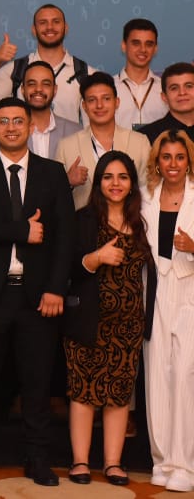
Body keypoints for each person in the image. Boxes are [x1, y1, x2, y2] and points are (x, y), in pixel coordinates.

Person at [0, 97, 75, 487]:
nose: (10, 127)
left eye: (18, 121)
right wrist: (21, 230)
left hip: (38, 298)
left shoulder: (52, 173)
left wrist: (56, 288)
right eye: (3, 121)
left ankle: (38, 460)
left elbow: (65, 237)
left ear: (30, 126)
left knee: (37, 387)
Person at [61, 151, 153, 487]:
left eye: (123, 177)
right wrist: (96, 258)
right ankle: (80, 462)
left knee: (118, 393)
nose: (116, 183)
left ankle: (113, 463)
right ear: (98, 182)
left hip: (128, 325)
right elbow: (67, 267)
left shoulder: (142, 221)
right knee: (83, 392)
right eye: (108, 177)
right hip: (88, 321)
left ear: (132, 183)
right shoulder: (83, 219)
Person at [141, 129, 194, 492]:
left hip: (189, 290)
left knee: (185, 377)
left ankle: (185, 464)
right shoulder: (146, 196)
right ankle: (161, 460)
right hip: (154, 292)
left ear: (188, 161)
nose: (173, 164)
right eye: (166, 157)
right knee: (157, 375)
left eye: (179, 157)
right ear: (157, 162)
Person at [55, 72, 150, 208]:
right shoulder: (66, 146)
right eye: (92, 100)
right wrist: (68, 182)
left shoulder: (140, 142)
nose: (99, 105)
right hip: (82, 220)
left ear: (117, 102)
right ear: (84, 106)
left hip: (129, 219)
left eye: (106, 99)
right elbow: (54, 199)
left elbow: (149, 191)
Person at [0, 4, 95, 125]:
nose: (49, 27)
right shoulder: (15, 70)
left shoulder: (86, 73)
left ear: (66, 28)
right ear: (34, 30)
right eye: (43, 22)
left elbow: (91, 127)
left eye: (56, 22)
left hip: (70, 137)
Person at [20, 60, 81, 158]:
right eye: (32, 84)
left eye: (46, 84)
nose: (38, 89)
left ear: (55, 90)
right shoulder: (12, 131)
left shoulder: (76, 132)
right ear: (23, 90)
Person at [114, 18, 166, 130]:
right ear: (124, 46)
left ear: (155, 49)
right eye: (136, 43)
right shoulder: (109, 88)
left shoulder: (166, 88)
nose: (143, 49)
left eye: (149, 44)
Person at [140, 62, 194, 144]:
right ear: (164, 97)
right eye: (174, 88)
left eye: (189, 86)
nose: (182, 92)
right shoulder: (144, 137)